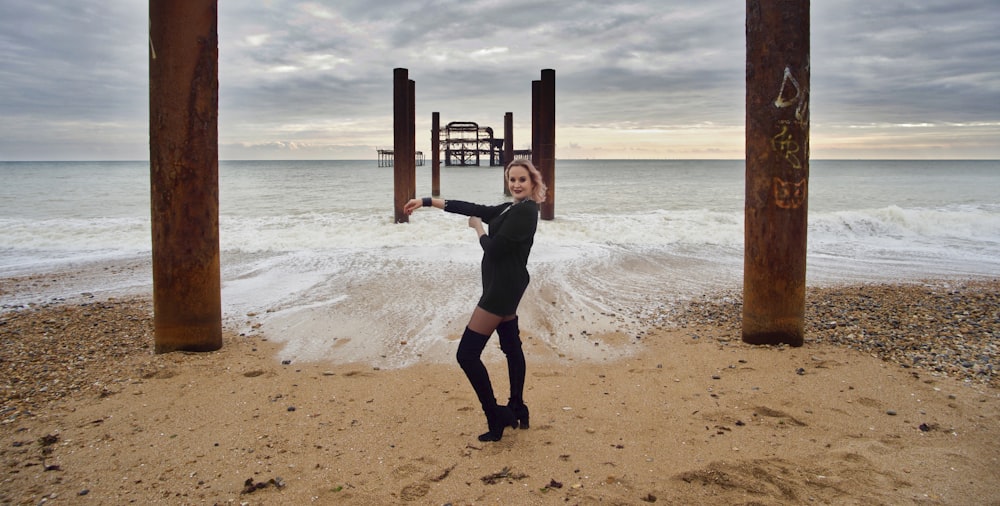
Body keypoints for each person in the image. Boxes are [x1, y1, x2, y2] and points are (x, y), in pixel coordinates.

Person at [404, 159, 546, 442]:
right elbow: (472, 208)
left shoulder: (527, 211)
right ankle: (517, 406)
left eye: (522, 180)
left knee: (466, 355)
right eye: (512, 179)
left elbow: (493, 250)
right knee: (511, 346)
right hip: (504, 284)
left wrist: (478, 230)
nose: (516, 184)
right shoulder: (511, 208)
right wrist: (427, 201)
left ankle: (496, 415)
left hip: (502, 289)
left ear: (532, 183)